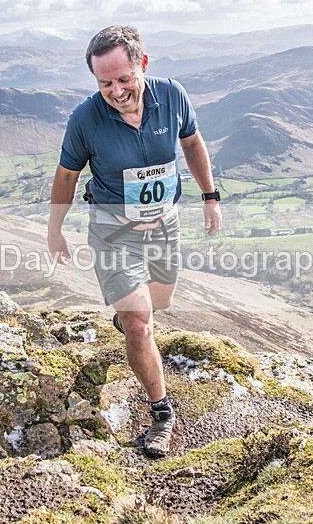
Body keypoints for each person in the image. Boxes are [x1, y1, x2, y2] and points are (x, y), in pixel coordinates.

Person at [47, 25, 221, 457]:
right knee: (142, 324)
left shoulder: (172, 95)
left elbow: (192, 143)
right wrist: (54, 230)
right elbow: (67, 175)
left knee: (159, 303)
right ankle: (162, 412)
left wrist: (210, 196)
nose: (116, 91)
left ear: (142, 63)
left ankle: (126, 321)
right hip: (113, 230)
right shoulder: (85, 119)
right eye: (104, 83)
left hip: (165, 224)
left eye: (124, 79)